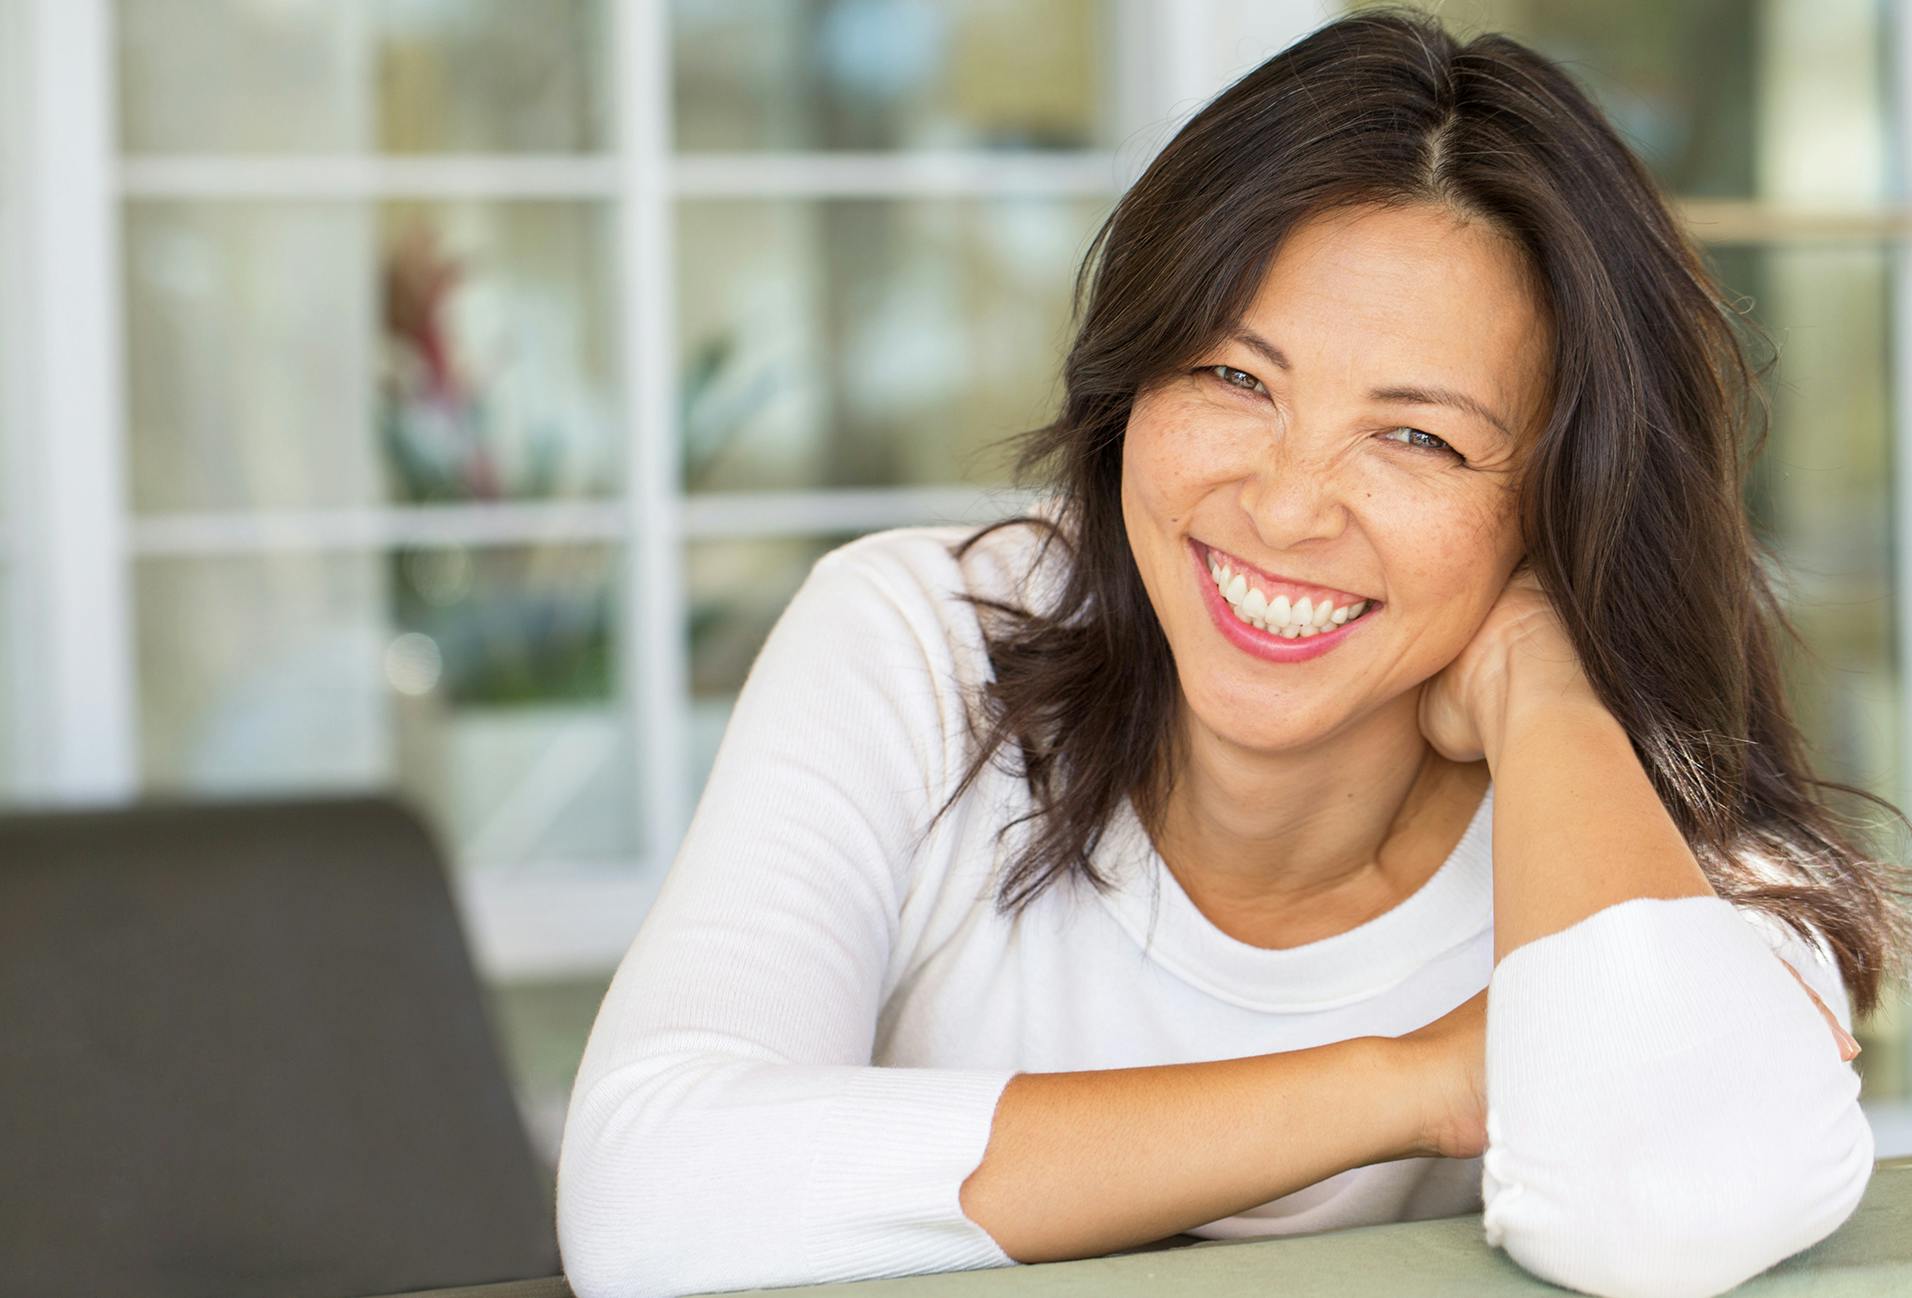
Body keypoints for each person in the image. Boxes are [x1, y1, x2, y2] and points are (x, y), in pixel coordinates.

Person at [555, 9, 1912, 1297]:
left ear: (1563, 505)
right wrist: (1412, 1080)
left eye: (1419, 437)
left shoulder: (1641, 811)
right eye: (1233, 378)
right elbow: (648, 1194)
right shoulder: (924, 637)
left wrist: (1542, 684)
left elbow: (1657, 1203)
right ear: (1130, 379)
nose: (1282, 505)